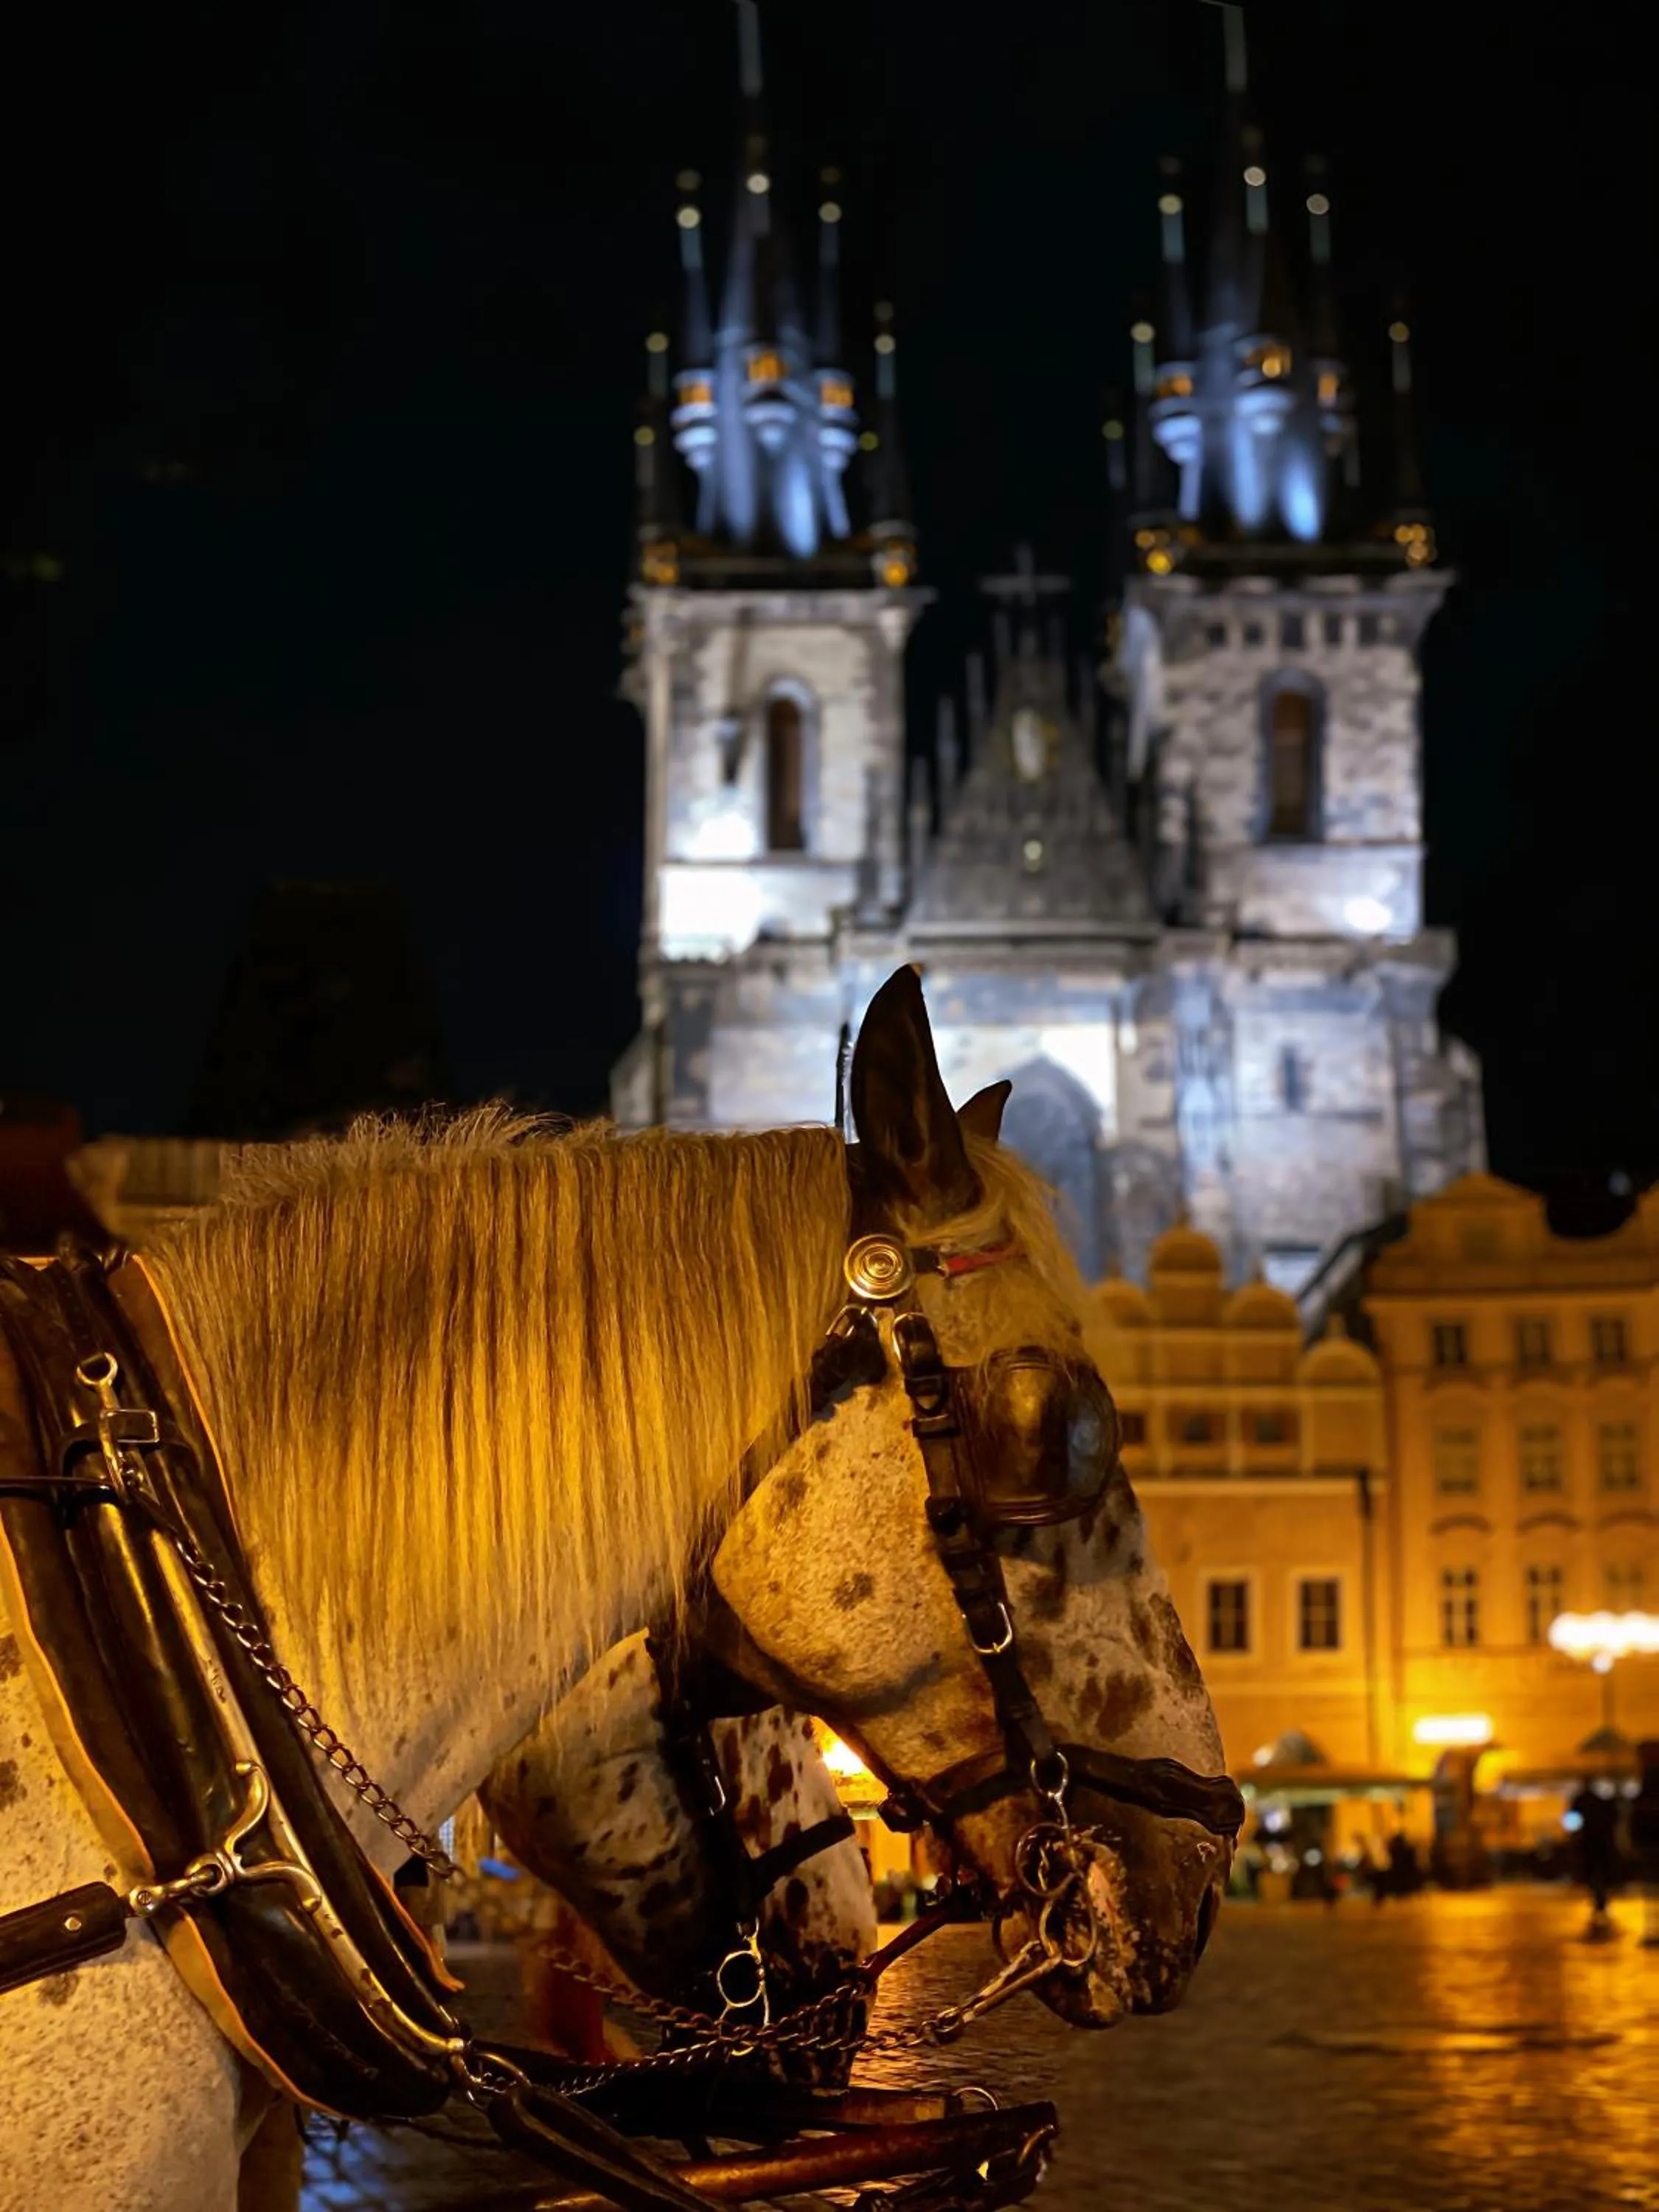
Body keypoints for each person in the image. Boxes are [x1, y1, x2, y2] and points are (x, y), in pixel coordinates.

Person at [1568, 1775, 1621, 1925]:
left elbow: (1573, 1822)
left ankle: (1599, 1901)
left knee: (1592, 1873)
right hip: (1601, 1844)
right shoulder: (1600, 1802)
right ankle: (1601, 1901)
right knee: (1601, 1873)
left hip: (1588, 1844)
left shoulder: (1580, 1801)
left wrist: (1575, 1836)